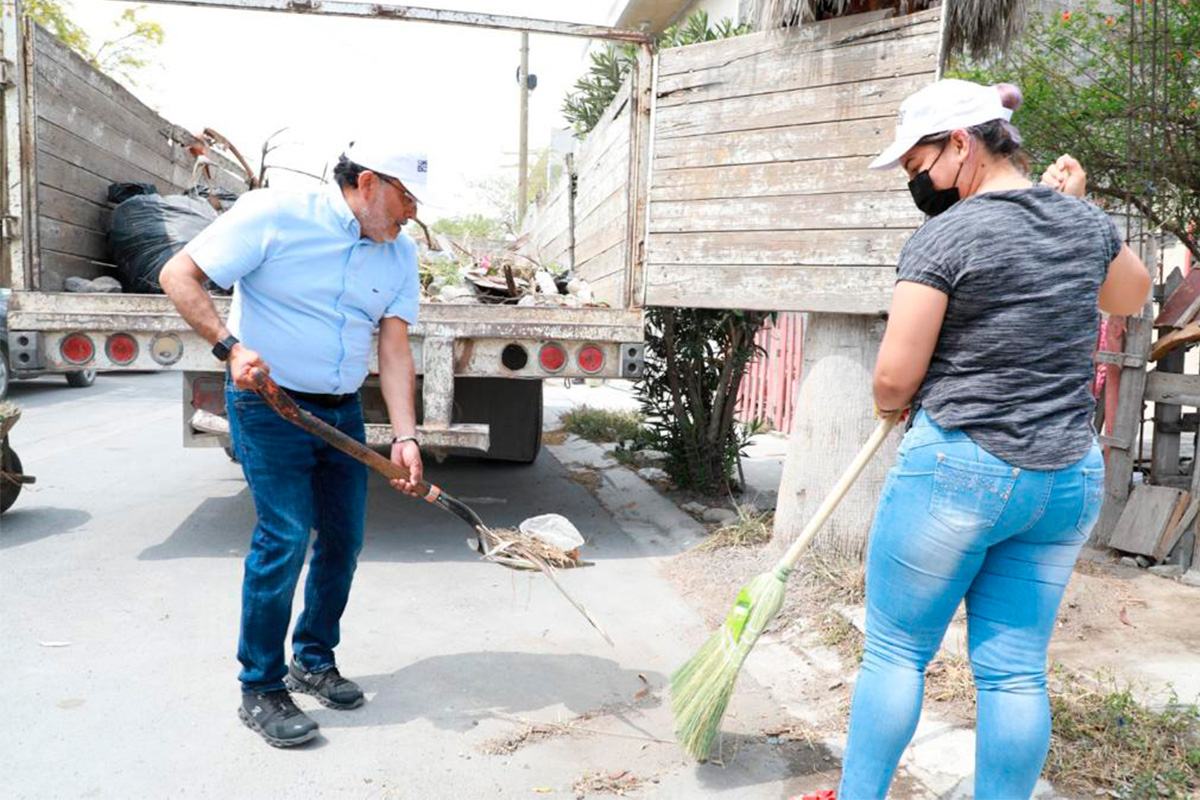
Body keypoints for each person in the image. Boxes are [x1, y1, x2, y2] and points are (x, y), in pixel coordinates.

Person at [836, 79, 1150, 798]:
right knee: (1013, 672)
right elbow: (1130, 299)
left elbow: (892, 379)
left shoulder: (945, 236)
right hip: (1066, 478)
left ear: (960, 145)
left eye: (920, 169)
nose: (917, 186)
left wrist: (898, 397)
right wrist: (1075, 209)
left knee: (894, 654)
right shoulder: (1085, 224)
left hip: (961, 470)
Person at [160, 139, 429, 748]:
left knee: (344, 539)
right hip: (268, 402)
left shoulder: (399, 253)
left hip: (339, 412)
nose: (411, 212)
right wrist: (230, 348)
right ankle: (260, 686)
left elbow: (392, 348)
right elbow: (178, 274)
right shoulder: (275, 213)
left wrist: (406, 437)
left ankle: (313, 657)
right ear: (367, 184)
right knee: (283, 536)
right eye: (405, 196)